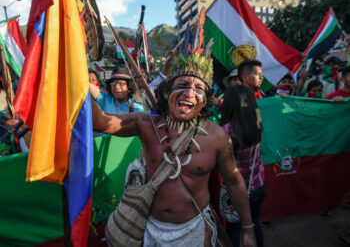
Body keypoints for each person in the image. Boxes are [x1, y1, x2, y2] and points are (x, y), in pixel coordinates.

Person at [92, 51, 256, 246]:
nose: (189, 93)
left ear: (205, 99)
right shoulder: (146, 125)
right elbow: (101, 121)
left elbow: (234, 181)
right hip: (150, 228)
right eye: (183, 85)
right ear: (166, 92)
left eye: (198, 88)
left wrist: (248, 229)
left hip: (195, 230)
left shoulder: (217, 136)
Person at [220, 85, 266, 247]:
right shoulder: (257, 121)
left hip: (237, 192)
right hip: (258, 184)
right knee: (254, 225)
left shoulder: (226, 130)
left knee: (234, 229)